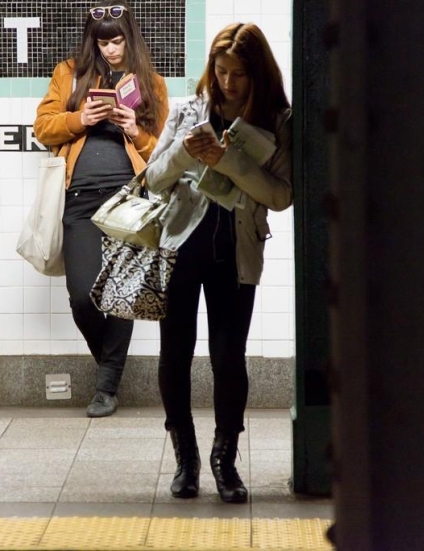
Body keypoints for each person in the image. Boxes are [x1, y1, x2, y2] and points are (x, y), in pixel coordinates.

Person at [144, 23, 292, 502]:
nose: (228, 83)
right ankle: (185, 459)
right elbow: (152, 180)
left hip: (236, 252)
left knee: (229, 357)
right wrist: (186, 154)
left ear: (258, 74)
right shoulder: (189, 110)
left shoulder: (278, 121)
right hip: (181, 246)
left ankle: (224, 459)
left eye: (240, 74)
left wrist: (229, 161)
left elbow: (281, 196)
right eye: (221, 71)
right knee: (176, 352)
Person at [33, 0, 169, 418]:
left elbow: (165, 152)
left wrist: (135, 131)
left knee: (119, 295)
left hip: (129, 199)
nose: (111, 49)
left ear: (130, 38)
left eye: (117, 40)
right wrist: (79, 118)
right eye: (103, 41)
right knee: (81, 296)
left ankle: (106, 387)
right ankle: (110, 369)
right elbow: (42, 128)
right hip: (80, 199)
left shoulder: (151, 83)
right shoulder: (69, 73)